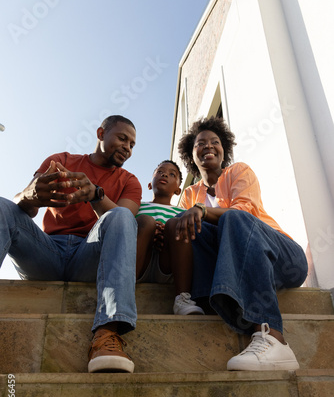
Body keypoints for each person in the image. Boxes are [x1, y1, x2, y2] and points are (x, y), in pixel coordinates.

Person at [0, 115, 142, 374]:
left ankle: (107, 334)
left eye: (132, 144)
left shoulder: (130, 181)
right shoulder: (62, 161)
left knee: (121, 217)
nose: (127, 147)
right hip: (46, 252)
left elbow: (125, 219)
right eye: (122, 138)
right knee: (1, 205)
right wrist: (29, 196)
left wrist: (95, 195)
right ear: (101, 133)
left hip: (87, 255)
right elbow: (24, 204)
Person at [164, 116, 308, 371]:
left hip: (282, 257)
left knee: (234, 217)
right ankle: (202, 299)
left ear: (224, 150)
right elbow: (188, 236)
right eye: (200, 144)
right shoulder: (189, 194)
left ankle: (273, 336)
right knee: (182, 225)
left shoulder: (238, 171)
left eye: (215, 142)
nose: (208, 146)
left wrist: (202, 210)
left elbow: (246, 210)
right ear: (191, 155)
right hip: (238, 268)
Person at [136, 160, 204, 315]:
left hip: (167, 264)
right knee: (145, 222)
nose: (165, 174)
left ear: (178, 190)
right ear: (149, 184)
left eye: (172, 174)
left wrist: (165, 231)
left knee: (175, 224)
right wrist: (151, 231)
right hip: (140, 262)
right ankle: (124, 292)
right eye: (160, 172)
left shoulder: (181, 211)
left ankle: (183, 299)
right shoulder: (138, 205)